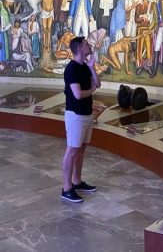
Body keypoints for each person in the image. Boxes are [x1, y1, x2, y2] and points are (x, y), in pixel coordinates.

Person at [62, 36, 101, 203]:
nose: (89, 45)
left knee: (81, 149)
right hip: (75, 115)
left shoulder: (85, 66)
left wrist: (92, 67)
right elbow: (78, 95)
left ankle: (77, 182)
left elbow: (98, 83)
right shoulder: (71, 69)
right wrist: (92, 89)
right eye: (86, 44)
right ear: (79, 49)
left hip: (87, 113)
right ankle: (66, 188)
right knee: (72, 151)